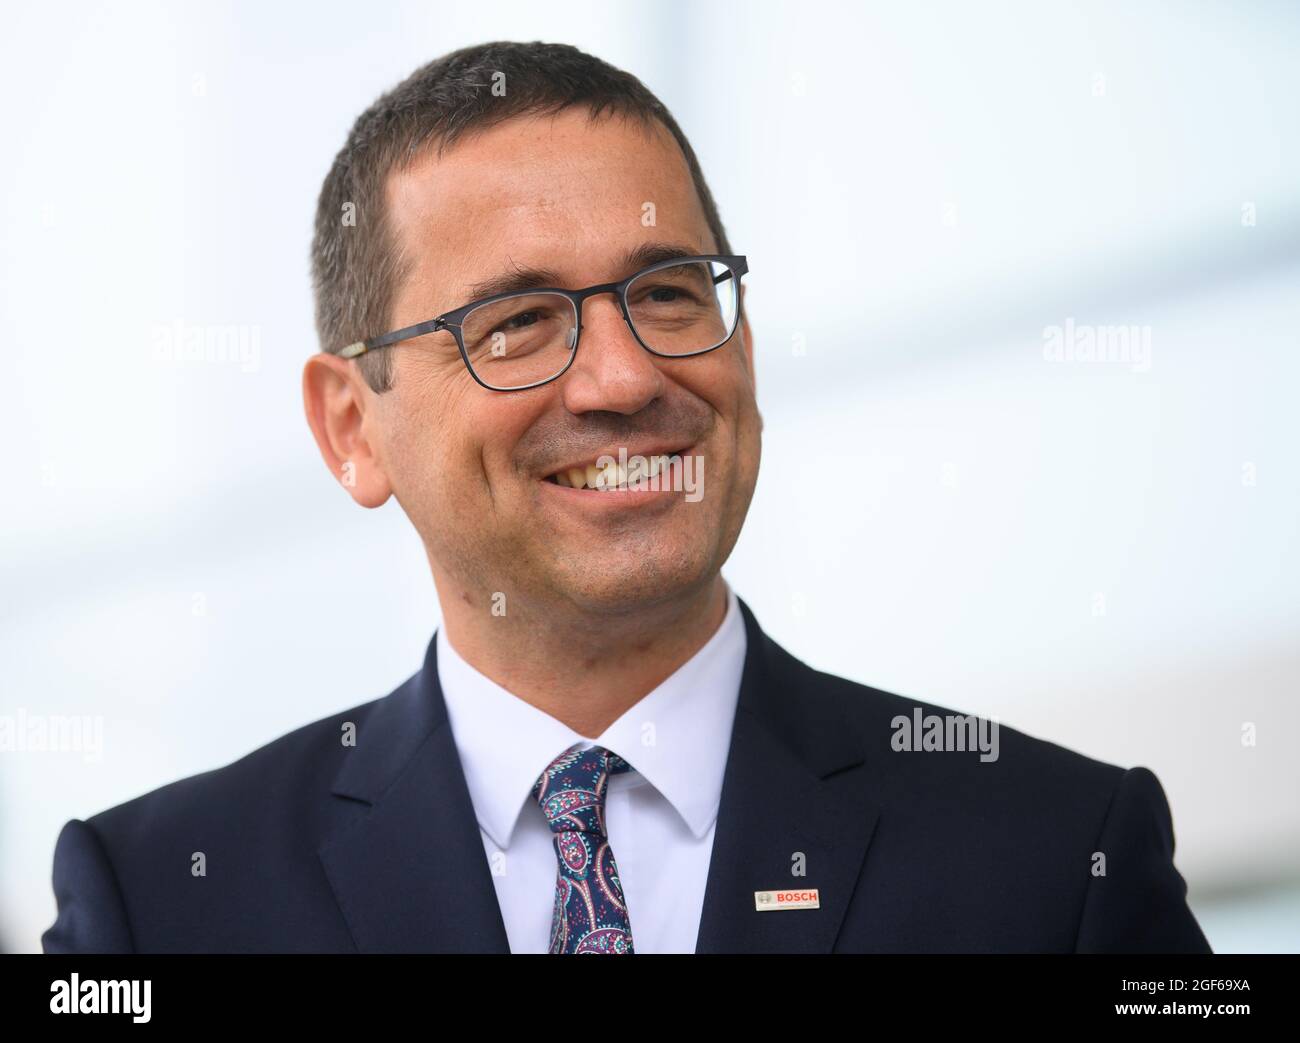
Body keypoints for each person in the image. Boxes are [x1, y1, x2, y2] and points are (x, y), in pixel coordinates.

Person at [42, 40, 1211, 954]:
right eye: (518, 322)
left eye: (667, 292)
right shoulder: (161, 901)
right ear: (354, 427)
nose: (626, 376)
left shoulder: (1059, 858)